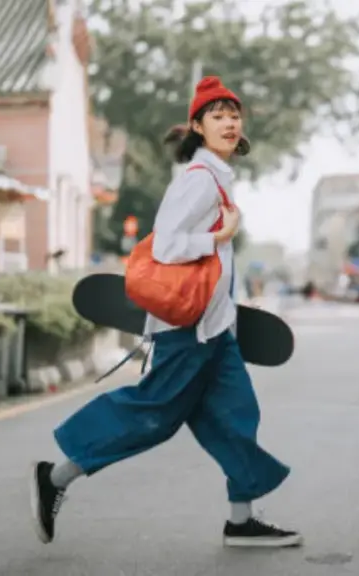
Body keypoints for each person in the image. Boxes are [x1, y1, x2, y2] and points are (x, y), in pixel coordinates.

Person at [28, 76, 302, 549]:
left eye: (233, 114)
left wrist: (230, 304)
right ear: (197, 126)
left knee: (236, 417)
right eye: (216, 115)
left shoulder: (217, 179)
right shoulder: (198, 182)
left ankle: (241, 520)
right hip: (188, 332)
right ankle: (56, 476)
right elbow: (171, 246)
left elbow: (213, 268)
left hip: (215, 332)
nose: (229, 122)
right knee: (152, 416)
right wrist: (216, 238)